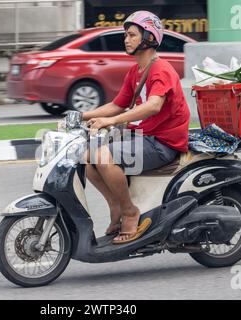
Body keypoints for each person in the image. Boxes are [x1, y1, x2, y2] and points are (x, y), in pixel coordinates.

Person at [81, 10, 190, 244]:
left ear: (149, 38)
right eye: (126, 35)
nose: (126, 39)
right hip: (144, 137)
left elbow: (153, 106)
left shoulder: (161, 70)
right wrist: (82, 115)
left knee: (102, 156)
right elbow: (117, 104)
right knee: (88, 159)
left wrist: (111, 121)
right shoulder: (135, 71)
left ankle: (130, 211)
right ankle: (116, 206)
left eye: (131, 35)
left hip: (163, 143)